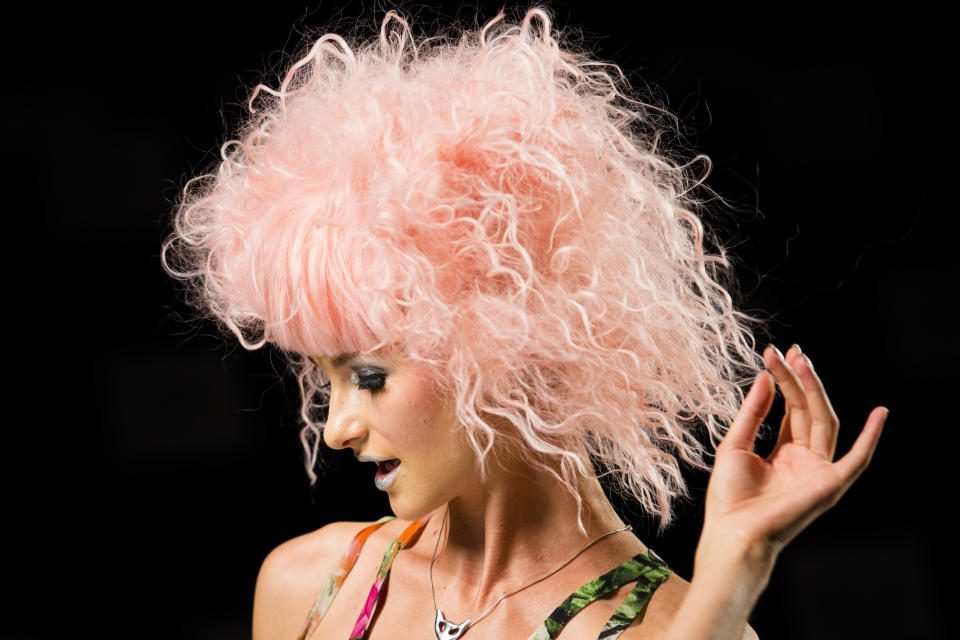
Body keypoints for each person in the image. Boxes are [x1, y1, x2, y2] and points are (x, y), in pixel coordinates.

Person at [162, 6, 887, 639]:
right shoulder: (309, 586)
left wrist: (737, 566)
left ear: (499, 341)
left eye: (369, 377)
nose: (335, 427)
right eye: (326, 381)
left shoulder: (681, 628)